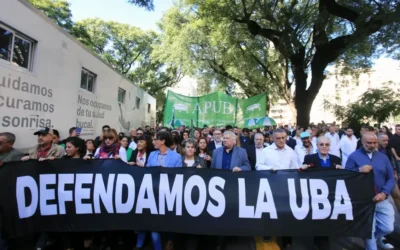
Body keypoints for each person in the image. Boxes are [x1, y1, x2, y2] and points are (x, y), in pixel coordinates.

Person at [346, 132, 395, 250]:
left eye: (374, 142)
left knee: (388, 227)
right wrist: (358, 170)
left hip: (382, 199)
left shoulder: (383, 157)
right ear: (362, 142)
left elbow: (391, 178)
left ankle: (377, 238)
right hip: (365, 201)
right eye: (369, 143)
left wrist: (384, 193)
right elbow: (346, 177)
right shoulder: (353, 156)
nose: (372, 145)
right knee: (369, 230)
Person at [378, 133, 400, 213]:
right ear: (378, 140)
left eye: (387, 140)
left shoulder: (387, 149)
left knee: (397, 195)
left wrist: (395, 172)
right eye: (384, 140)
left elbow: (392, 161)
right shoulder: (373, 150)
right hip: (379, 178)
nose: (386, 142)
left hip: (390, 177)